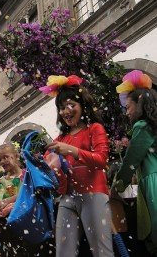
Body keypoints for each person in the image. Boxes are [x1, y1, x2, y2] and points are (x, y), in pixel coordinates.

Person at [40, 75, 114, 257]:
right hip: (67, 199)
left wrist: (72, 151)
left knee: (102, 252)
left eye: (71, 105)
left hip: (94, 194)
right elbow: (46, 170)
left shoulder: (94, 129)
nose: (66, 111)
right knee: (63, 253)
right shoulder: (59, 139)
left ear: (83, 106)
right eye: (62, 107)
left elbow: (102, 160)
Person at [112, 69, 157, 256]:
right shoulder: (153, 126)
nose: (127, 112)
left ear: (139, 104)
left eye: (128, 106)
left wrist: (116, 186)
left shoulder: (142, 127)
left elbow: (131, 160)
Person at [0, 143, 25, 217]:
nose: (2, 161)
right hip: (2, 221)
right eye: (0, 159)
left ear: (16, 156)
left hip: (21, 218)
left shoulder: (26, 175)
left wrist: (6, 201)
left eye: (5, 157)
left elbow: (27, 194)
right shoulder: (1, 181)